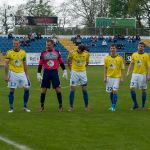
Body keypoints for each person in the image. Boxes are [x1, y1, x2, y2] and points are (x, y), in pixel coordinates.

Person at [37, 39, 68, 112]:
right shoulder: (43, 53)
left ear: (53, 45)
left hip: (54, 72)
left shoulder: (57, 52)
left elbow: (61, 62)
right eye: (46, 45)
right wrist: (38, 73)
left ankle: (60, 106)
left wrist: (65, 70)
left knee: (58, 90)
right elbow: (40, 64)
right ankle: (42, 106)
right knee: (43, 90)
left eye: (49, 45)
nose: (47, 46)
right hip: (46, 72)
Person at [5, 39, 31, 113]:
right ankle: (11, 108)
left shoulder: (23, 52)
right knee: (12, 90)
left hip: (22, 73)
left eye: (16, 44)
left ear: (19, 44)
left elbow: (25, 64)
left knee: (27, 89)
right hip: (13, 73)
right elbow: (6, 64)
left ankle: (25, 106)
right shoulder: (9, 52)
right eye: (14, 44)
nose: (15, 45)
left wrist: (27, 75)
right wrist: (6, 75)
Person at [127, 42, 150, 110]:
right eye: (140, 46)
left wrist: (148, 75)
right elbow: (131, 63)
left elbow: (149, 66)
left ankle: (143, 106)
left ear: (144, 48)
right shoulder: (134, 54)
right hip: (134, 74)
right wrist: (128, 71)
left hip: (143, 75)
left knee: (143, 90)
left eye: (142, 46)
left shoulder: (146, 55)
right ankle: (136, 104)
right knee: (131, 88)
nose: (141, 47)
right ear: (137, 47)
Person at [68, 44, 90, 111]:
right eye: (78, 49)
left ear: (83, 51)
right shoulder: (72, 53)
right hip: (74, 73)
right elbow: (69, 61)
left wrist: (83, 69)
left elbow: (87, 63)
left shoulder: (87, 54)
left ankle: (86, 107)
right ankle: (71, 107)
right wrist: (71, 70)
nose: (78, 51)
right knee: (72, 90)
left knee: (84, 90)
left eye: (80, 51)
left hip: (83, 73)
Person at [104, 44, 124, 112]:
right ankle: (112, 105)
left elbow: (122, 69)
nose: (112, 49)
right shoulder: (106, 58)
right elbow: (105, 68)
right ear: (110, 49)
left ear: (116, 49)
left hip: (117, 77)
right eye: (111, 48)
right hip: (109, 77)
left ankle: (113, 107)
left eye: (114, 48)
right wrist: (105, 77)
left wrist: (121, 77)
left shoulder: (120, 58)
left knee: (115, 91)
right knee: (111, 92)